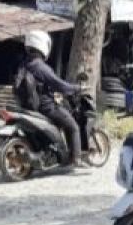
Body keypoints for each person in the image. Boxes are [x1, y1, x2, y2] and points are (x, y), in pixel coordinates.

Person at [15, 30, 85, 168]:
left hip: (29, 106)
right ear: (43, 45)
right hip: (46, 107)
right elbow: (59, 84)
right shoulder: (41, 67)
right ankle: (76, 159)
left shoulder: (24, 64)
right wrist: (77, 88)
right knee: (73, 127)